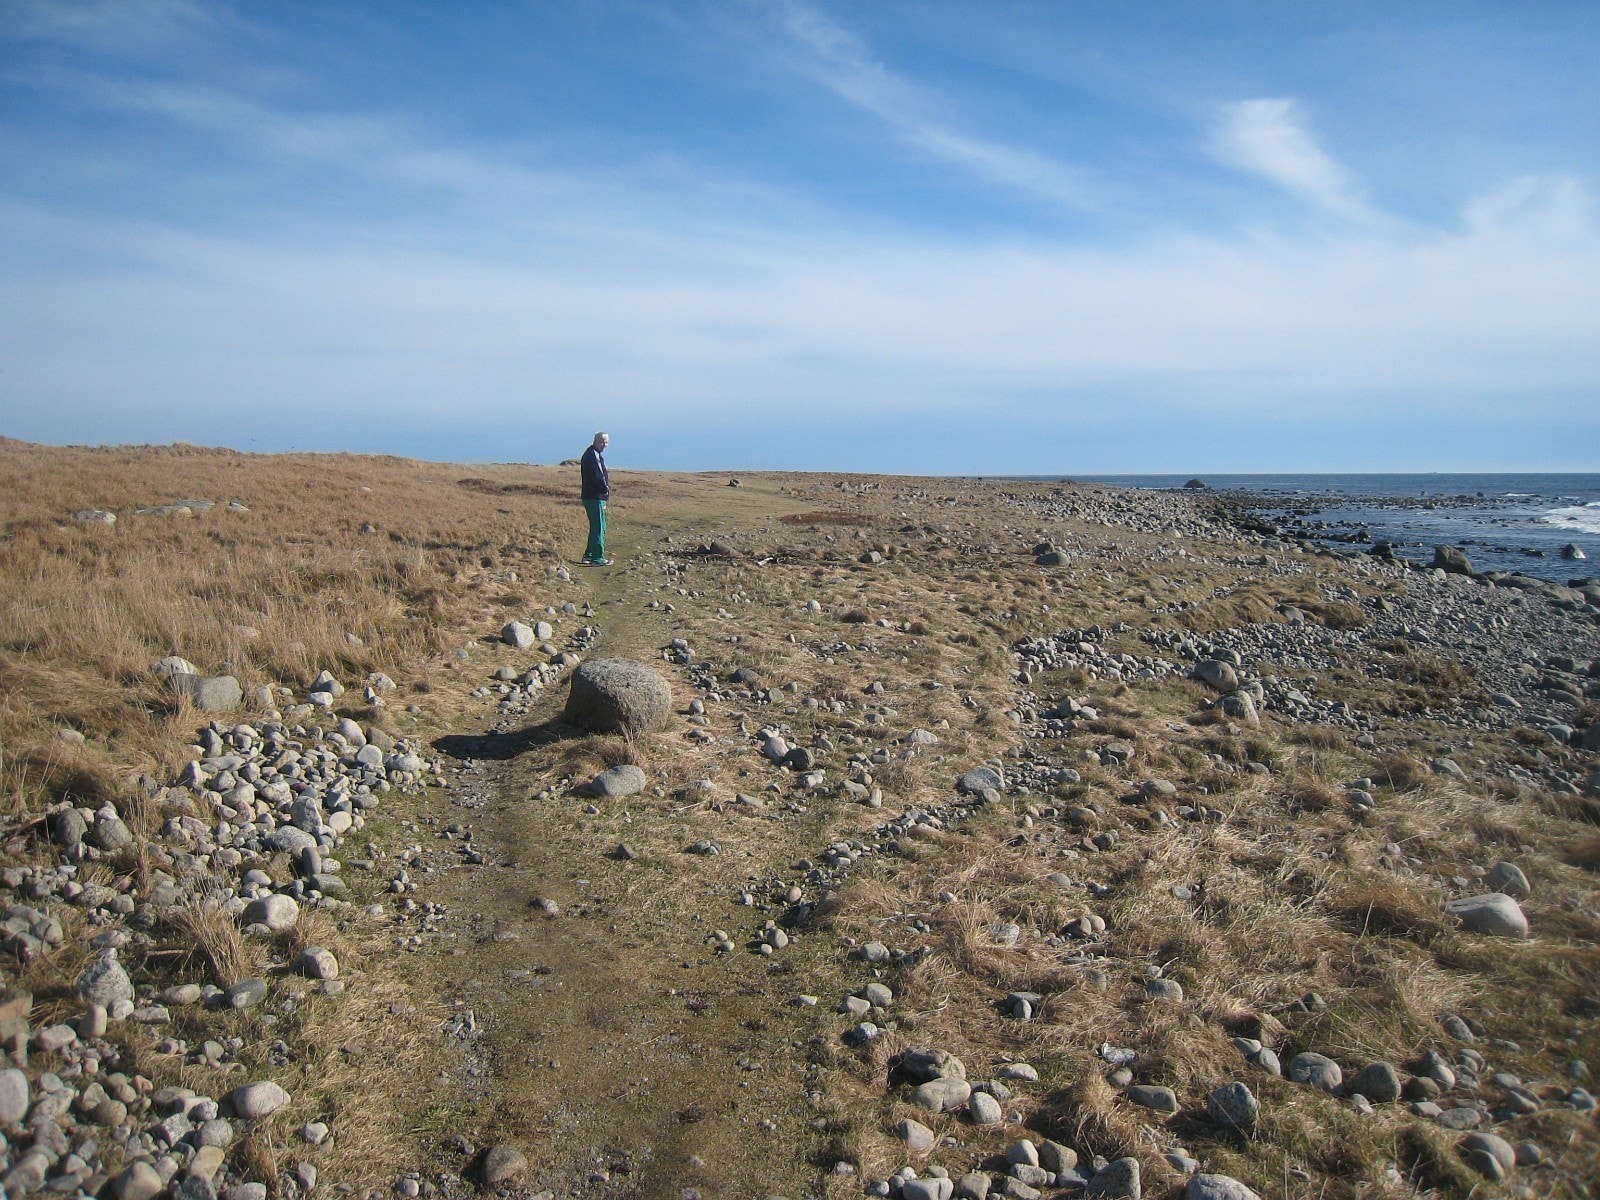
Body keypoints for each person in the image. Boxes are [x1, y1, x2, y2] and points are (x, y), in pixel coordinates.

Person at [579, 431, 612, 565]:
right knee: (599, 526)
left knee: (595, 526)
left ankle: (589, 555)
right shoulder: (593, 455)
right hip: (595, 497)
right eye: (602, 441)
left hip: (590, 496)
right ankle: (597, 558)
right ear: (595, 441)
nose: (604, 445)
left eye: (606, 442)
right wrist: (605, 489)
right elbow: (598, 476)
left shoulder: (592, 454)